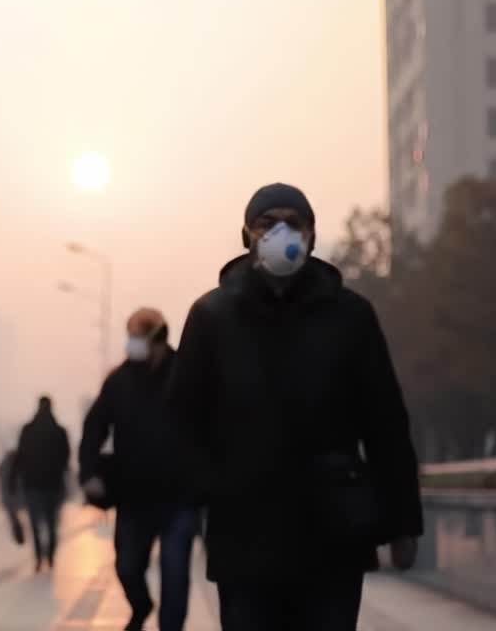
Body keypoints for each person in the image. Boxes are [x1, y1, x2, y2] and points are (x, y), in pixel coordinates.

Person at [167, 183, 424, 631]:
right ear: (247, 236)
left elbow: (385, 423)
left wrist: (403, 523)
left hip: (333, 535)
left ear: (311, 235)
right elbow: (182, 421)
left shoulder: (350, 316)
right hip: (245, 538)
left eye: (293, 222)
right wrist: (212, 489)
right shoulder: (211, 318)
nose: (281, 232)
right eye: (267, 224)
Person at [79, 308, 198, 631]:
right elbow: (94, 428)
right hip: (134, 497)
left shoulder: (187, 376)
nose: (131, 344)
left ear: (157, 339)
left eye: (137, 338)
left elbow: (209, 427)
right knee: (127, 567)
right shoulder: (119, 381)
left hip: (180, 498)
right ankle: (141, 604)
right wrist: (88, 473)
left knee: (175, 574)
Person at [12, 396, 70, 572]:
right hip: (53, 484)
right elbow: (66, 457)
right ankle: (50, 557)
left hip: (32, 484)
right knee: (52, 523)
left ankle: (39, 557)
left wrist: (13, 480)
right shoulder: (59, 431)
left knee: (36, 522)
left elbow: (19, 456)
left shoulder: (28, 430)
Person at [0, 450, 25, 546]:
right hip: (17, 496)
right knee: (15, 517)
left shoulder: (4, 464)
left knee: (13, 517)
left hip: (8, 497)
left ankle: (18, 533)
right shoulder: (19, 465)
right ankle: (19, 533)